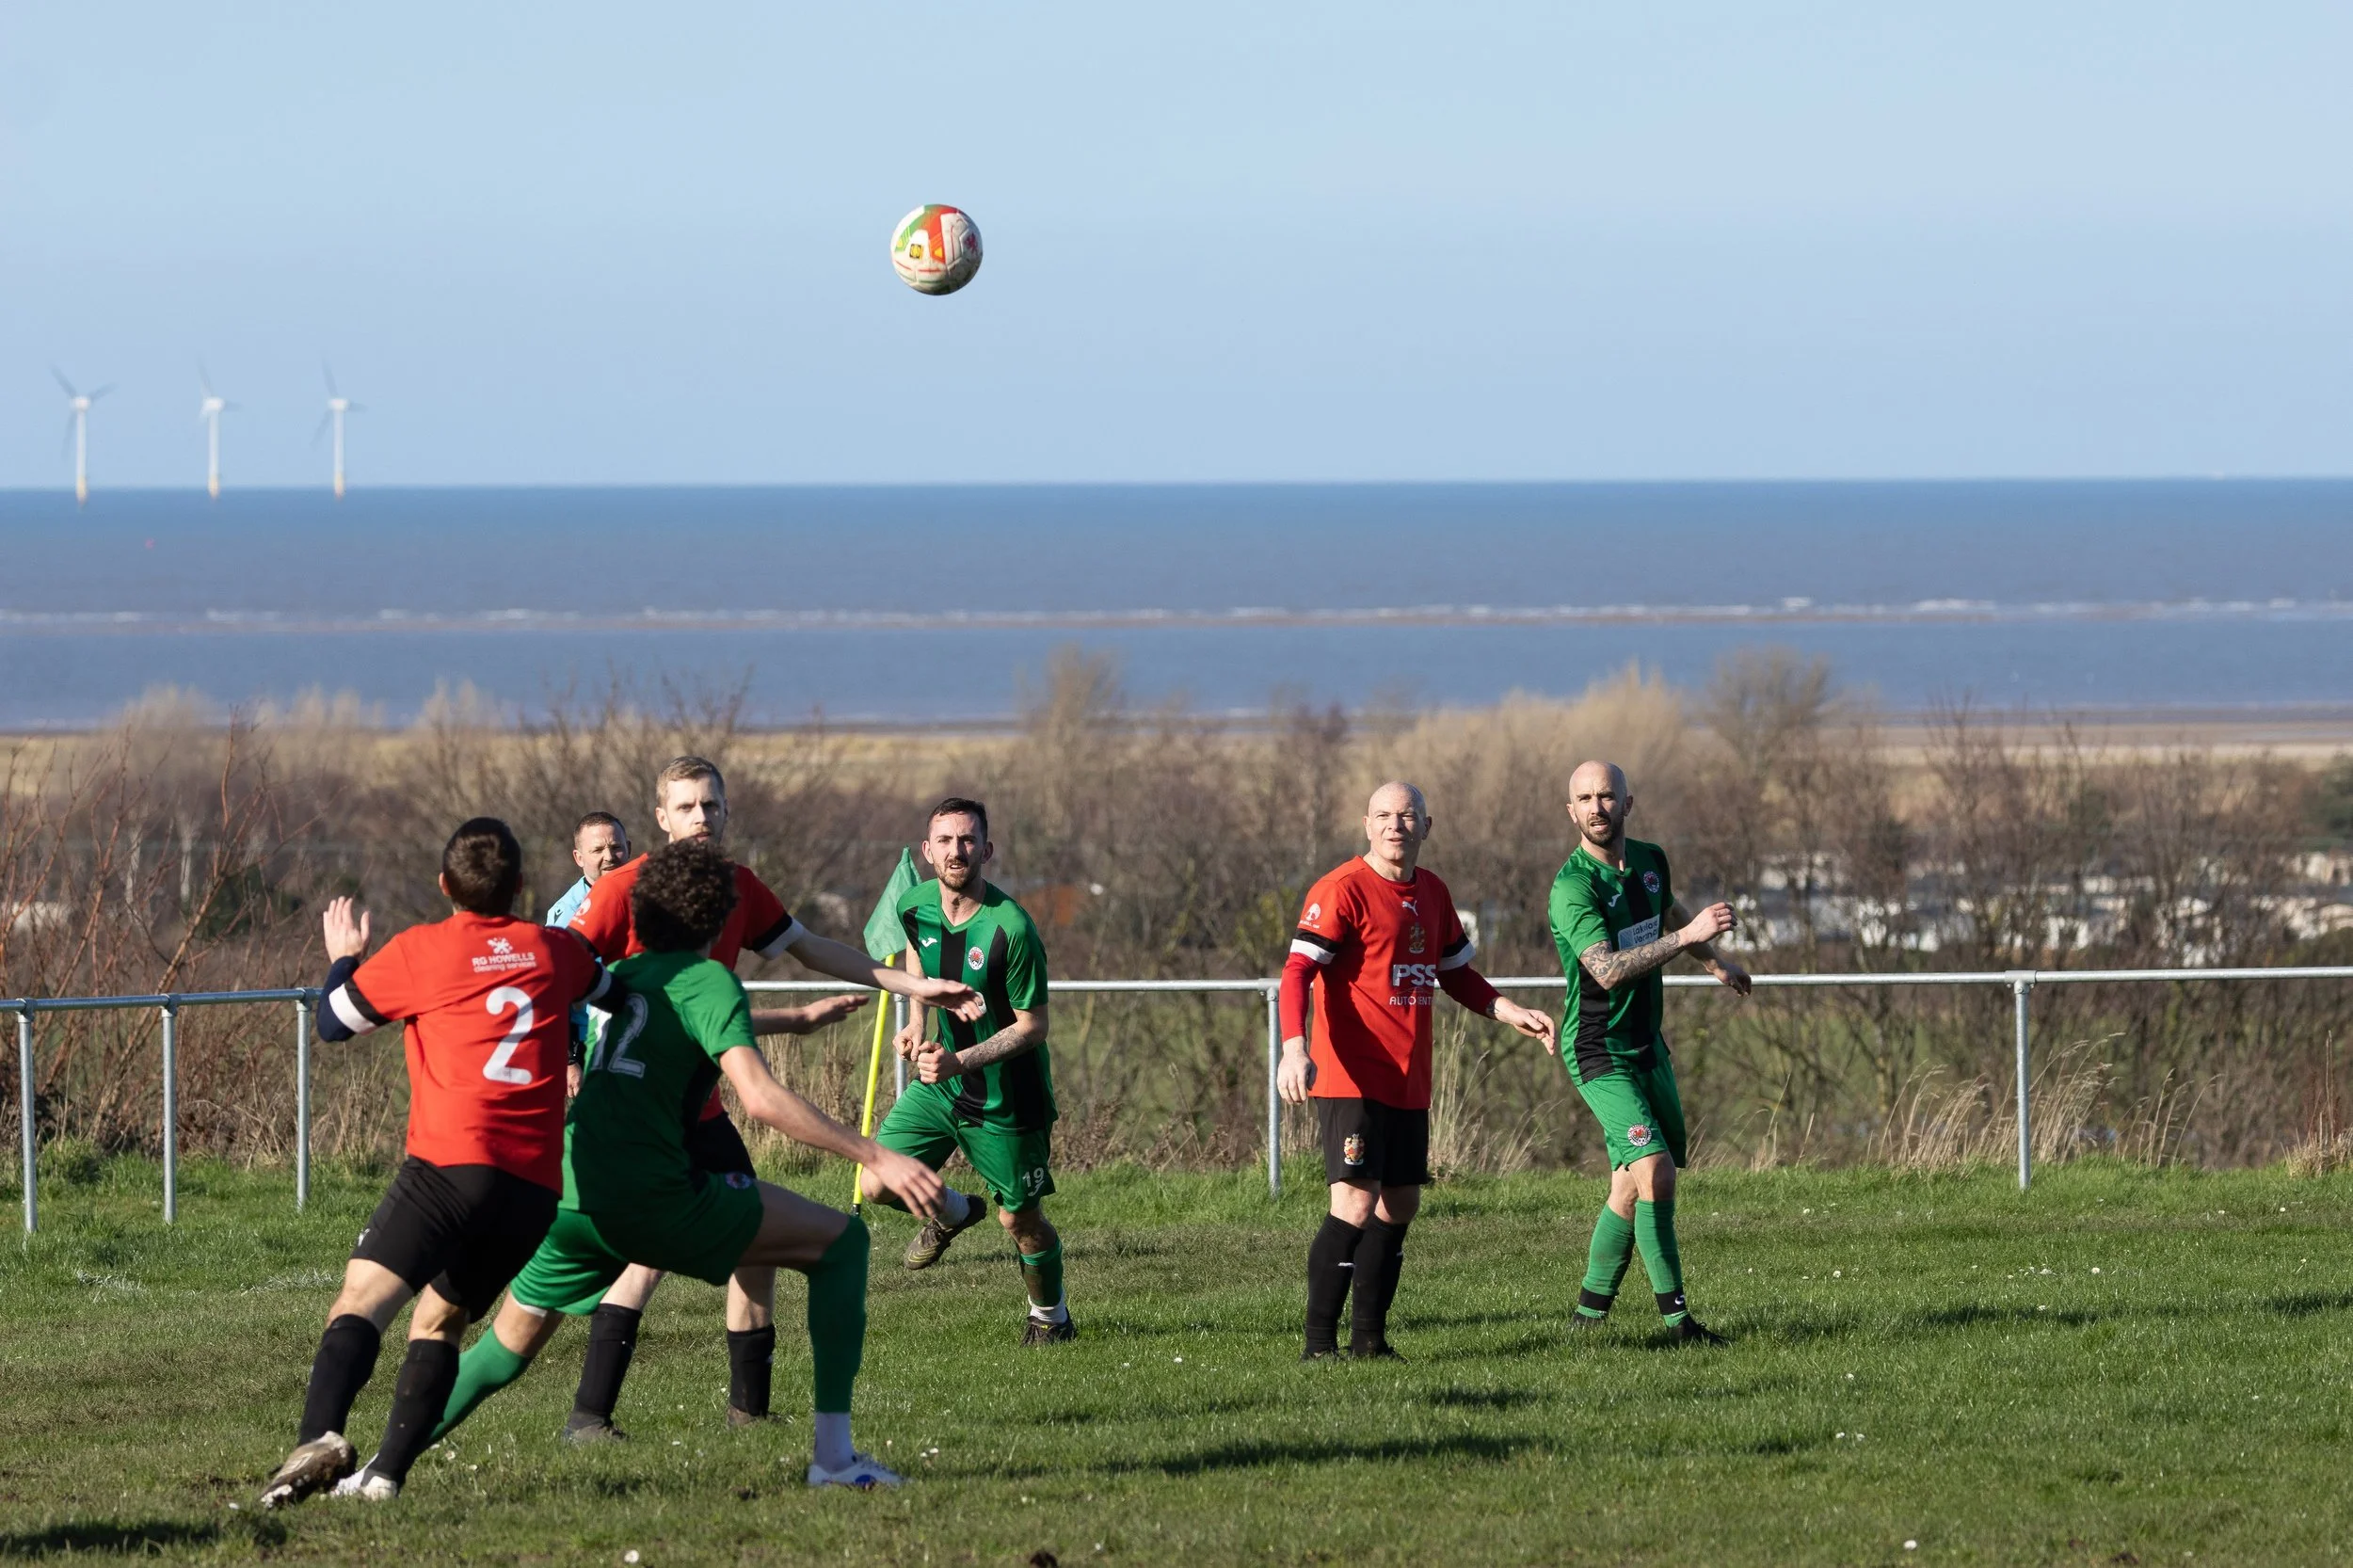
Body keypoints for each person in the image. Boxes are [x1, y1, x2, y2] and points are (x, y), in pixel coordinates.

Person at [393, 838, 947, 1491]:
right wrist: (876, 1153)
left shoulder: (624, 976)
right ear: (716, 921)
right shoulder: (711, 979)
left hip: (570, 1190)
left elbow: (672, 1017)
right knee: (843, 1243)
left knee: (505, 1348)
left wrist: (790, 1019)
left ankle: (379, 1468)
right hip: (649, 1197)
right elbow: (762, 1100)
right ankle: (834, 1459)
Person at [557, 756, 978, 1435]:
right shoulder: (623, 889)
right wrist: (563, 1055)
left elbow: (810, 947)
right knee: (647, 1256)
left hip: (702, 1108)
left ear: (726, 813)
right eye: (686, 807)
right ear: (661, 818)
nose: (701, 818)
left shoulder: (738, 887)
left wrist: (913, 986)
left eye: (711, 806)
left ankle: (747, 1413)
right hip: (641, 1115)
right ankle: (589, 1416)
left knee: (752, 1245)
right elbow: (562, 965)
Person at [258, 818, 621, 1509]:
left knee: (362, 1300)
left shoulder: (423, 950)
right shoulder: (552, 949)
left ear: (443, 886)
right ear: (520, 886)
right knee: (440, 1321)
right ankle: (388, 1476)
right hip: (530, 1189)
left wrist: (343, 957)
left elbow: (334, 1023)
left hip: (450, 1167)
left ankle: (320, 1438)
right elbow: (609, 991)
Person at [1277, 782, 1557, 1359]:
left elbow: (1456, 974)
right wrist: (1294, 1047)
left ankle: (1370, 1341)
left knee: (1400, 1202)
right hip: (1350, 1075)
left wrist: (1508, 1010)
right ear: (1366, 825)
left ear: (1428, 826)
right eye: (1383, 816)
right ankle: (1317, 1346)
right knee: (1353, 1201)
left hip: (1409, 1077)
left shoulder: (1432, 892)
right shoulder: (1340, 890)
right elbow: (1297, 973)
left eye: (1407, 815)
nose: (1395, 825)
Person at [1547, 760, 1750, 1343]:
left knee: (1629, 1187)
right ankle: (1677, 1322)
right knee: (1655, 1170)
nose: (1596, 807)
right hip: (1597, 1050)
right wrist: (1688, 938)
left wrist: (1715, 964)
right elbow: (1607, 972)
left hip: (1646, 1046)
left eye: (1607, 796)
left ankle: (1587, 1320)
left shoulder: (1652, 861)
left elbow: (1666, 914)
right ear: (1571, 811)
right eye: (1584, 798)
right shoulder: (1573, 887)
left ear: (1627, 804)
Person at [857, 799, 1069, 1344]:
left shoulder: (1012, 928)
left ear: (987, 851)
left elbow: (1034, 1026)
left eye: (969, 840)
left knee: (1019, 1222)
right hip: (940, 1087)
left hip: (1007, 1098)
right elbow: (916, 960)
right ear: (927, 852)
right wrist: (915, 1020)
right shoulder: (915, 904)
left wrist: (961, 1059)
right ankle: (953, 1212)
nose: (957, 850)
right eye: (946, 841)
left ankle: (1051, 1320)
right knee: (875, 1180)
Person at [548, 811, 630, 1096]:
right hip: (589, 1046)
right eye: (597, 850)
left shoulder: (648, 894)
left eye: (616, 847)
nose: (610, 856)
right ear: (578, 857)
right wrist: (570, 1060)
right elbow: (557, 995)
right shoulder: (566, 916)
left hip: (641, 1035)